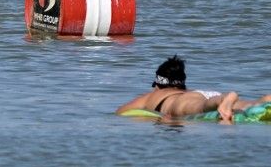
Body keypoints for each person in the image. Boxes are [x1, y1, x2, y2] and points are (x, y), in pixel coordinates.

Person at [116, 55, 270, 121]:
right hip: (205, 93)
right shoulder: (187, 91)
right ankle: (264, 100)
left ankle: (226, 98)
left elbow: (121, 112)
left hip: (181, 102)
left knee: (201, 107)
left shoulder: (153, 95)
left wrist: (152, 117)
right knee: (249, 104)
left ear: (157, 85)